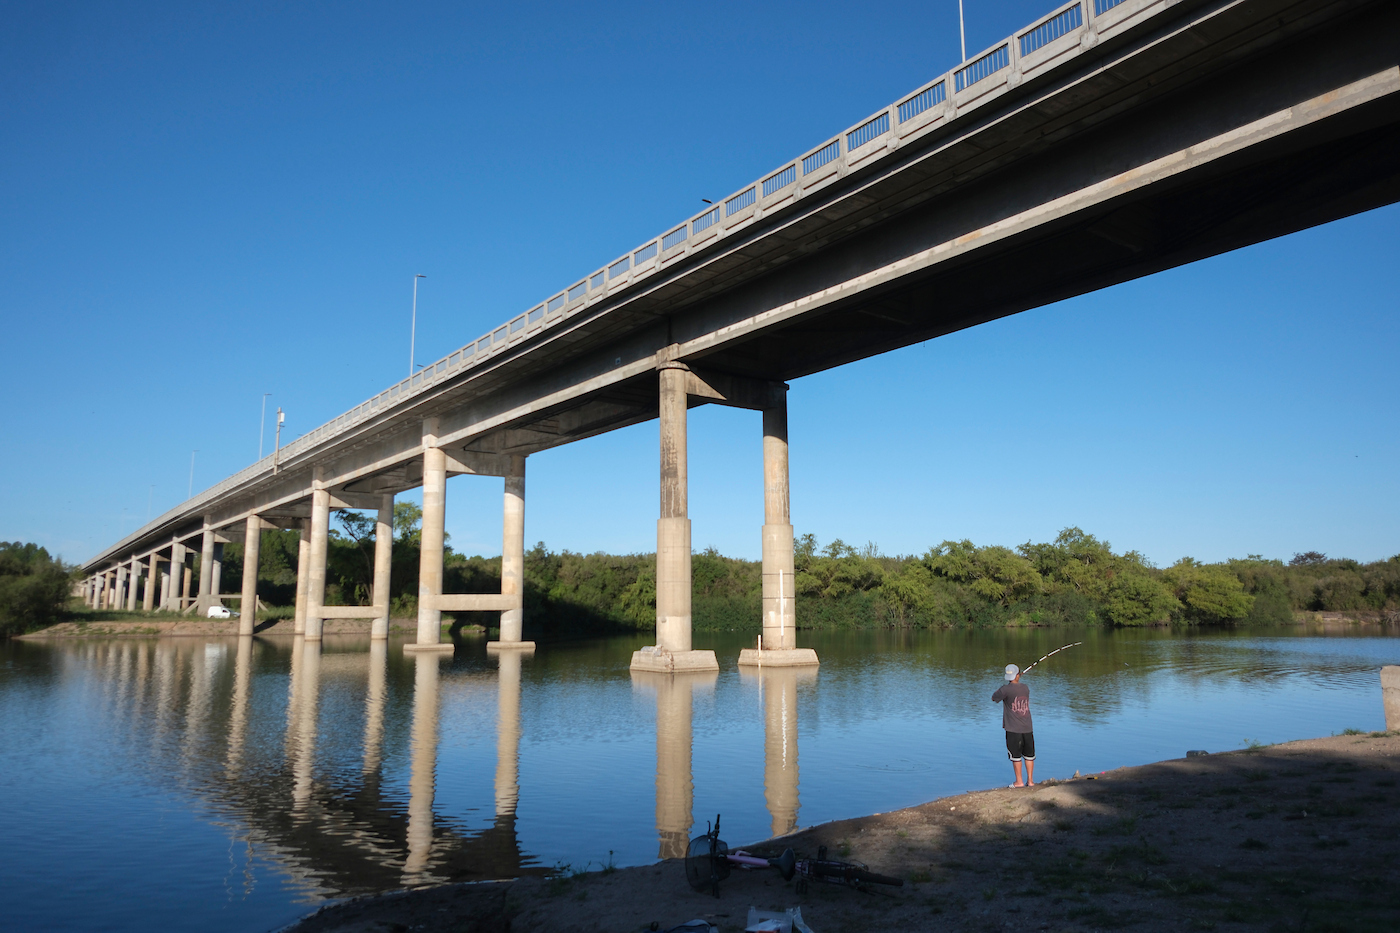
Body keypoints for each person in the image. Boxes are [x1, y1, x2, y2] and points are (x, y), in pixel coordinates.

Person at [992, 663, 1035, 787]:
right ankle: (1030, 781)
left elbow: (994, 698)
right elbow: (1016, 688)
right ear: (1018, 675)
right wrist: (1017, 679)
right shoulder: (1025, 688)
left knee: (1016, 756)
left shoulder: (1005, 690)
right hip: (1027, 727)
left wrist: (1001, 689)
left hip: (1013, 729)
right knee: (1029, 755)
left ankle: (1019, 782)